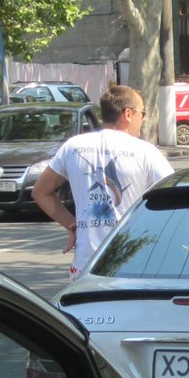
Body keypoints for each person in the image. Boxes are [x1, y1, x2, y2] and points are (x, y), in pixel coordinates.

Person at [33, 85, 174, 280]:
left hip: (85, 266)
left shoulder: (73, 147)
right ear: (128, 114)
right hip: (131, 262)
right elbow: (173, 199)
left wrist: (72, 225)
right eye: (142, 113)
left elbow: (40, 192)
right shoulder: (146, 152)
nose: (144, 119)